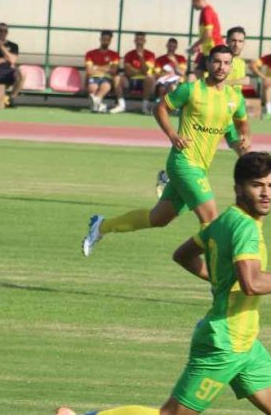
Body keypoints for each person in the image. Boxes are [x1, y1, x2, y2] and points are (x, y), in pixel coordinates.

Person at [44, 152, 271, 415]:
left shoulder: (221, 222)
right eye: (257, 186)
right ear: (238, 188)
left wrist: (219, 281)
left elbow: (184, 255)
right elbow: (252, 283)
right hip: (224, 344)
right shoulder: (245, 228)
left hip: (245, 343)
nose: (266, 193)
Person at [81, 44, 248, 256]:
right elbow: (159, 107)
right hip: (183, 163)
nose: (221, 67)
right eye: (216, 61)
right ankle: (220, 280)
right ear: (207, 63)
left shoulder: (234, 98)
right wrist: (172, 135)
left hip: (201, 168)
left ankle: (102, 226)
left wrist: (243, 149)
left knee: (157, 219)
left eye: (226, 63)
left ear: (231, 66)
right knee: (211, 219)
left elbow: (235, 131)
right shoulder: (191, 89)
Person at [113, 32, 157, 115]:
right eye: (137, 40)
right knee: (117, 78)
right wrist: (139, 71)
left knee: (149, 78)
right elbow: (128, 71)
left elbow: (146, 71)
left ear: (144, 41)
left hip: (144, 83)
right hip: (130, 81)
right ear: (134, 41)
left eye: (141, 40)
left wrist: (141, 57)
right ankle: (121, 105)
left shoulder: (150, 55)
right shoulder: (129, 54)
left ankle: (144, 107)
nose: (139, 42)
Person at [84, 30, 120, 113]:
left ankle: (97, 105)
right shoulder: (90, 53)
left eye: (108, 40)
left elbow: (113, 70)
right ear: (100, 39)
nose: (105, 41)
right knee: (92, 88)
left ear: (110, 41)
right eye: (104, 39)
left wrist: (96, 67)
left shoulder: (114, 55)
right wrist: (106, 68)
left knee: (106, 86)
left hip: (107, 78)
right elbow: (89, 70)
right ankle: (99, 105)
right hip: (94, 77)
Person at [189, 0, 221, 76]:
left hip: (213, 49)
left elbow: (208, 33)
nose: (192, 5)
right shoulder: (206, 11)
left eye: (193, 2)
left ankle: (210, 89)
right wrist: (199, 45)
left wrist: (195, 45)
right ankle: (205, 89)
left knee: (206, 74)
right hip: (208, 50)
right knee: (198, 71)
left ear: (197, 0)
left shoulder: (207, 11)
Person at [225, 26, 251, 90]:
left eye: (240, 41)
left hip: (237, 98)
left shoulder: (241, 63)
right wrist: (240, 81)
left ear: (244, 43)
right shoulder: (219, 59)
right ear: (227, 41)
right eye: (233, 40)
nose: (236, 45)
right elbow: (212, 83)